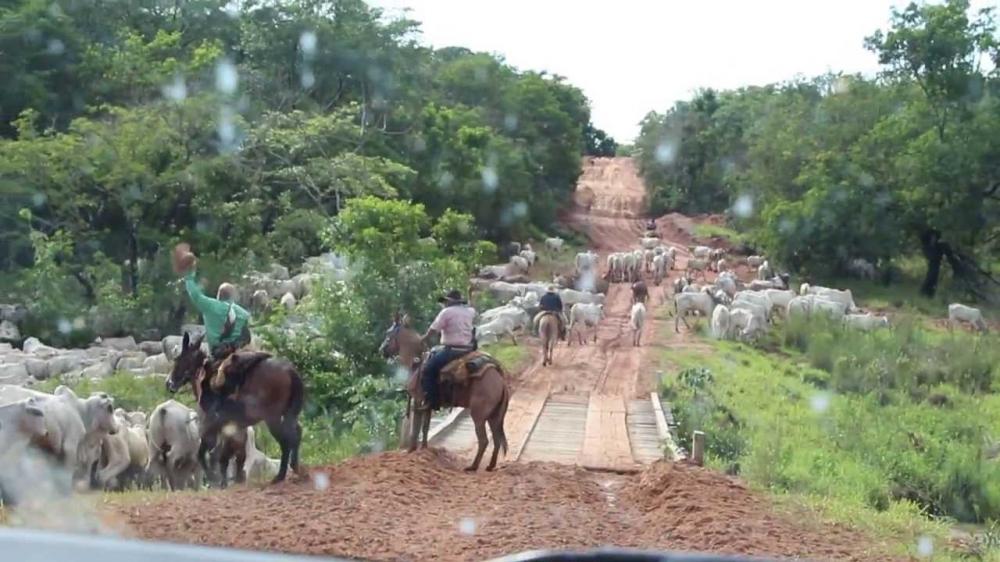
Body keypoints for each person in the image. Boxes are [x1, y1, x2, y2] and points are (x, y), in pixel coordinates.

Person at [182, 260, 252, 415]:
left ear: (219, 295)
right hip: (239, 354)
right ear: (233, 297)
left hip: (218, 355)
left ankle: (213, 412)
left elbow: (194, 293)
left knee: (204, 384)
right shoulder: (243, 313)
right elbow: (247, 336)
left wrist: (189, 275)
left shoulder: (211, 305)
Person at [419, 289, 476, 410]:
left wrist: (423, 339)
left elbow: (433, 330)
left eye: (446, 301)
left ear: (449, 302)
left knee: (428, 370)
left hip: (452, 351)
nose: (444, 304)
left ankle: (432, 401)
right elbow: (473, 309)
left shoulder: (446, 312)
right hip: (468, 349)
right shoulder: (469, 312)